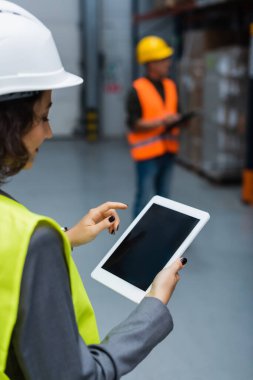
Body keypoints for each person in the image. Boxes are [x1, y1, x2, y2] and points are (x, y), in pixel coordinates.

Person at [0, 2, 187, 379]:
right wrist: (154, 306)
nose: (49, 132)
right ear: (10, 120)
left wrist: (65, 239)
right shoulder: (29, 238)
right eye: (44, 115)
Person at [126, 35, 181, 217]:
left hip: (168, 150)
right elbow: (134, 123)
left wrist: (180, 119)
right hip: (147, 154)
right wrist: (162, 122)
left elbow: (176, 111)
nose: (168, 63)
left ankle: (162, 235)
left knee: (164, 197)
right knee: (144, 197)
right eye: (163, 59)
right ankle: (136, 241)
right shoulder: (137, 89)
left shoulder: (171, 85)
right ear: (151, 63)